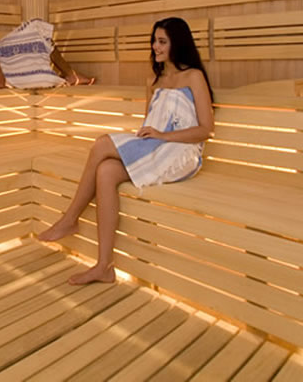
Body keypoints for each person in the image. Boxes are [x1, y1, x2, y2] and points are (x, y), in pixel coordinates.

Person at [37, 17, 213, 284]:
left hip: (181, 152)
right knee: (106, 171)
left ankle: (70, 219)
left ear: (178, 43)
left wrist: (163, 136)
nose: (155, 46)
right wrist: (149, 138)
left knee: (102, 144)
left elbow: (206, 130)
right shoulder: (154, 81)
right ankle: (104, 266)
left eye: (162, 41)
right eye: (154, 41)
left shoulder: (193, 77)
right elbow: (149, 124)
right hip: (155, 146)